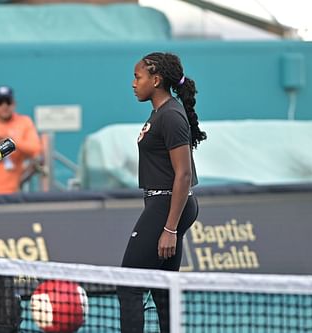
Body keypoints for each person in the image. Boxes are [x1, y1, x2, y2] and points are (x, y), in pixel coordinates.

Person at [117, 52, 207, 333]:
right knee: (162, 289)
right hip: (164, 204)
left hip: (166, 205)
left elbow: (183, 174)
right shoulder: (160, 112)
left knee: (129, 285)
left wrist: (169, 228)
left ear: (156, 80)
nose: (133, 83)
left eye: (137, 77)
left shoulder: (170, 116)